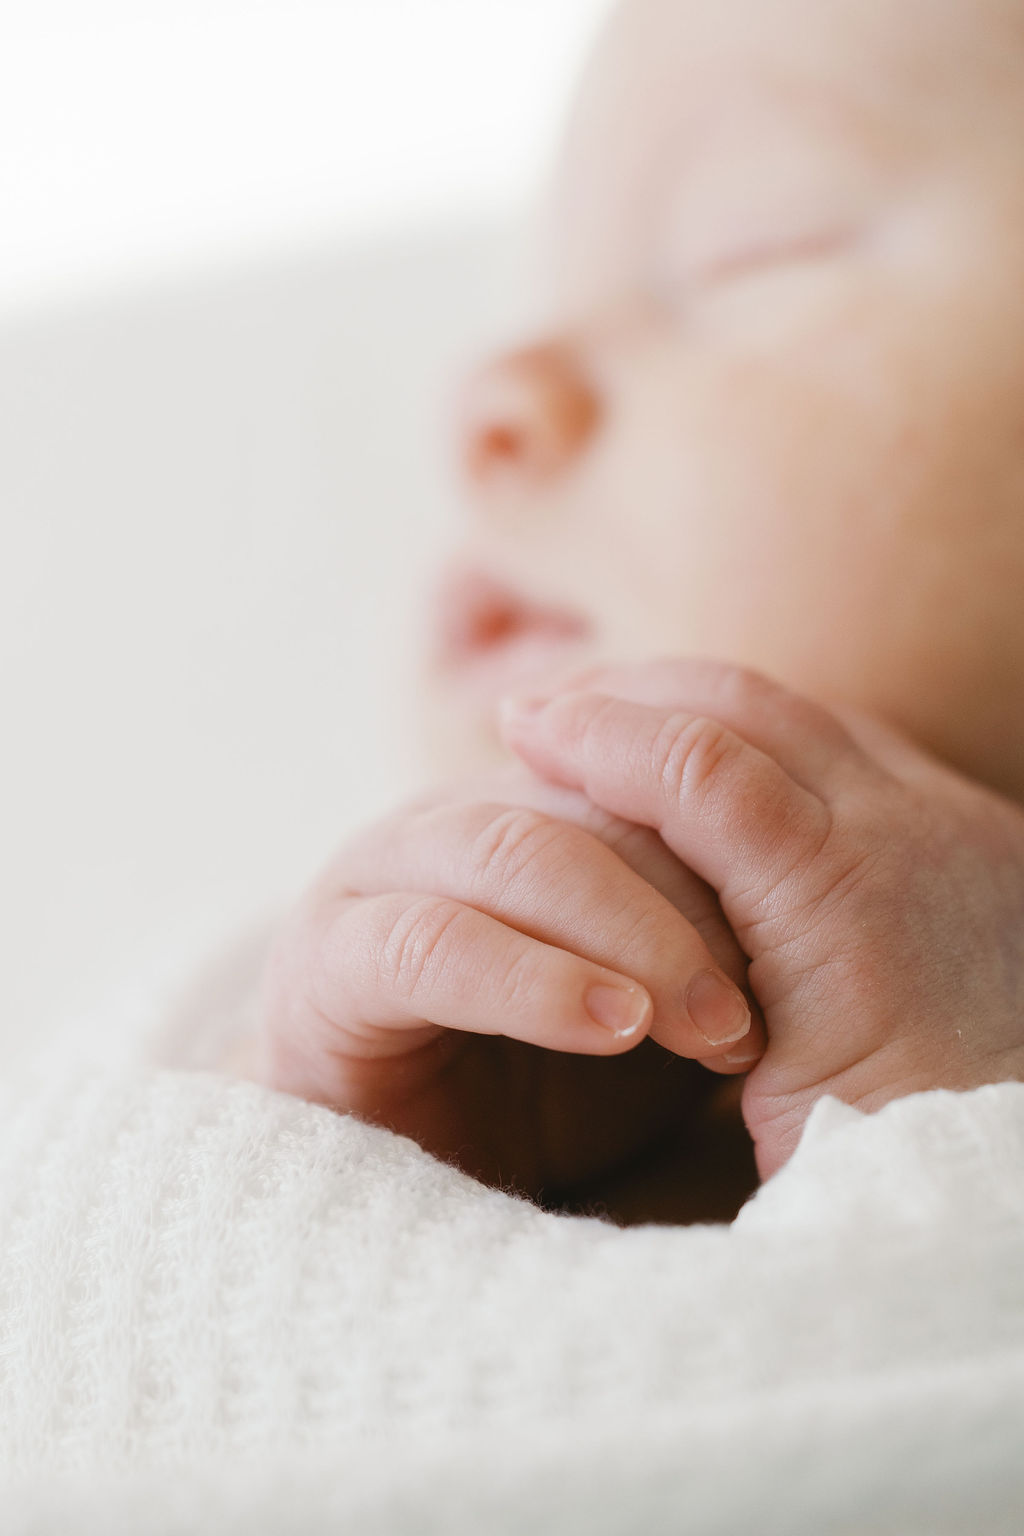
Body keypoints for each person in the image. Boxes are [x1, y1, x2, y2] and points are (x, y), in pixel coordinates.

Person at [232, 0, 1024, 1222]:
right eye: (540, 292)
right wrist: (314, 1155)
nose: (490, 388)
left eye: (746, 250)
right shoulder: (273, 994)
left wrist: (976, 1114)